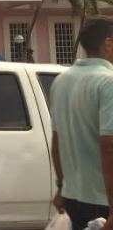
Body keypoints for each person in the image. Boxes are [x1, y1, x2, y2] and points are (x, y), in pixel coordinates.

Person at [51, 17, 113, 230]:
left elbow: (57, 141)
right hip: (103, 201)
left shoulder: (61, 81)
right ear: (108, 43)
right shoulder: (108, 82)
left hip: (73, 197)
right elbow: (108, 146)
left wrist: (61, 187)